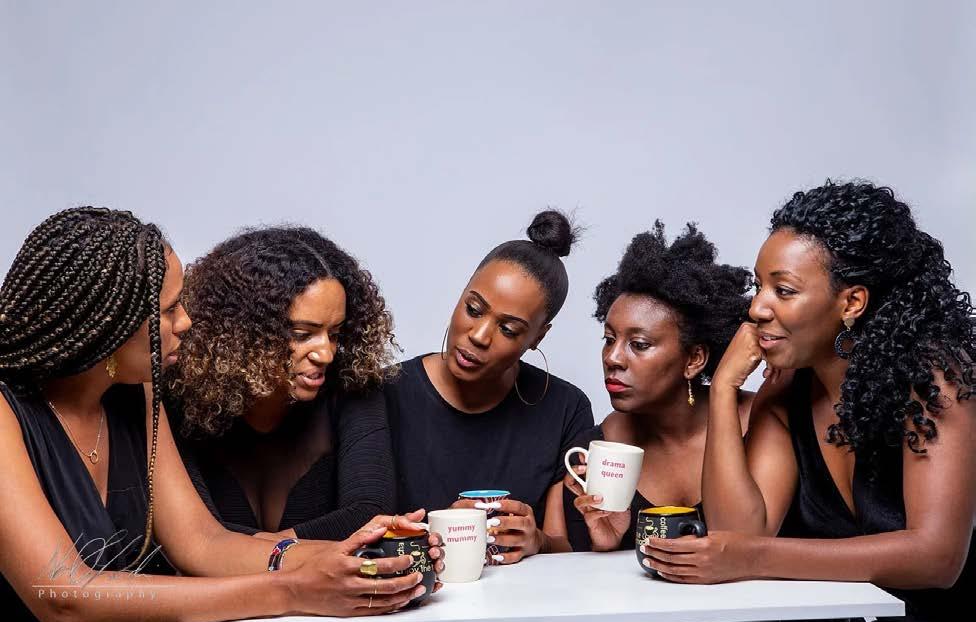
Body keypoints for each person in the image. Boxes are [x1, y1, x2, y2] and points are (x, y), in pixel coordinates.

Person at [0, 208, 442, 622]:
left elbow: (202, 544)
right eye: (170, 310)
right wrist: (291, 590)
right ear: (107, 323)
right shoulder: (6, 411)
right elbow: (64, 597)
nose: (187, 322)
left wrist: (356, 554)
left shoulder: (139, 394)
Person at [643, 182, 975, 622]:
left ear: (851, 302)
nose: (757, 308)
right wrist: (723, 388)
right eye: (759, 286)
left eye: (783, 290)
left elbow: (936, 558)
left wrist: (756, 557)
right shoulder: (786, 392)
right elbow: (739, 532)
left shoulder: (934, 379)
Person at [385, 208, 594, 563]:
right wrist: (438, 532)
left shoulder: (565, 408)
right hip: (412, 594)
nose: (479, 336)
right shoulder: (384, 393)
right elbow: (353, 532)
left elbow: (566, 546)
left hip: (522, 598)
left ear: (537, 337)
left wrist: (537, 540)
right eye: (473, 309)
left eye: (508, 329)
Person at [170, 227, 398, 541]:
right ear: (242, 332)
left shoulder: (352, 387)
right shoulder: (179, 399)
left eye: (335, 334)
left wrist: (253, 549)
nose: (326, 354)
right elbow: (182, 534)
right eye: (303, 335)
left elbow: (369, 511)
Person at [552, 221, 754, 552]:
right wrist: (605, 546)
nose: (612, 358)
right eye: (609, 339)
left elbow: (749, 546)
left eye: (639, 344)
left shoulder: (761, 426)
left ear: (694, 359)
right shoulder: (594, 451)